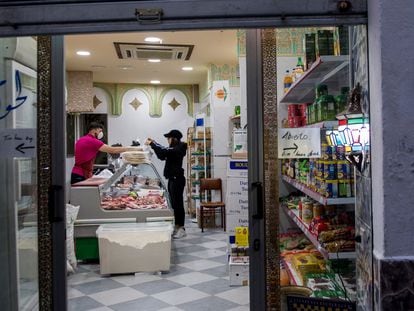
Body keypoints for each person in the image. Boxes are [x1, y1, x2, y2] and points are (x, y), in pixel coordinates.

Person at [145, 129, 187, 239]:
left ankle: (181, 228)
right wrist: (154, 144)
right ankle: (177, 226)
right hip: (172, 180)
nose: (168, 140)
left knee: (178, 204)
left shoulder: (180, 147)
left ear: (174, 139)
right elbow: (162, 155)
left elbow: (166, 151)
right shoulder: (173, 149)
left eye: (169, 138)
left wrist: (153, 143)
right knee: (174, 204)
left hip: (178, 180)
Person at [71, 122, 136, 184]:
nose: (101, 133)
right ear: (94, 130)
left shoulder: (82, 139)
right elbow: (113, 150)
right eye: (100, 131)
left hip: (75, 173)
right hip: (80, 175)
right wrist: (131, 148)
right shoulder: (92, 141)